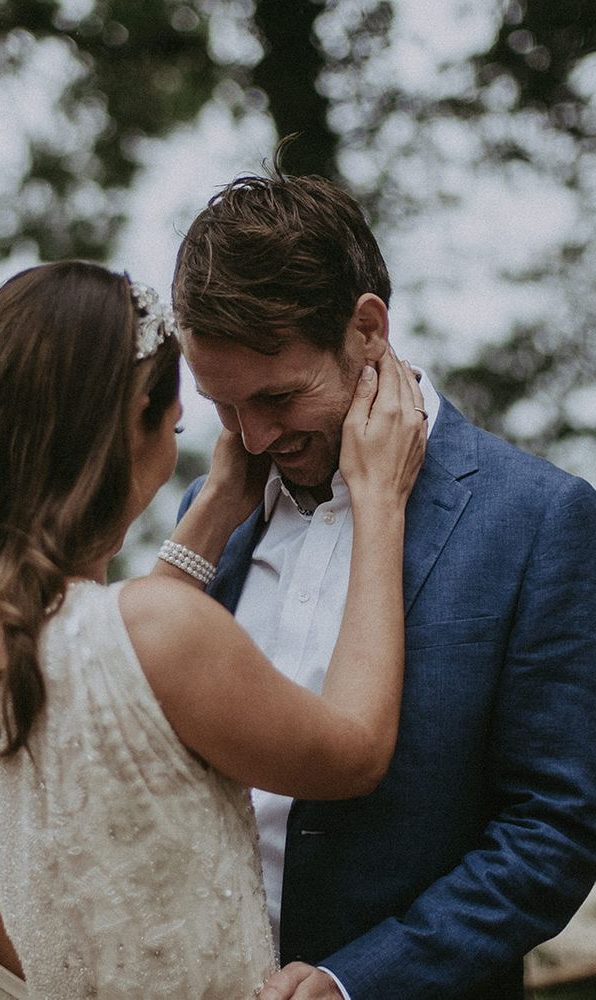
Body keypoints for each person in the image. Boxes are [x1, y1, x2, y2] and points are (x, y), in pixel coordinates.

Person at [0, 259, 427, 998]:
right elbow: (354, 751)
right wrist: (380, 497)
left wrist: (218, 502)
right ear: (134, 428)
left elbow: (105, 681)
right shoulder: (160, 631)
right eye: (176, 427)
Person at [172, 169, 596, 1000]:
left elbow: (553, 834)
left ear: (367, 328)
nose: (253, 436)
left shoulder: (542, 519)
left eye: (279, 397)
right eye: (224, 407)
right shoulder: (212, 508)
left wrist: (352, 983)